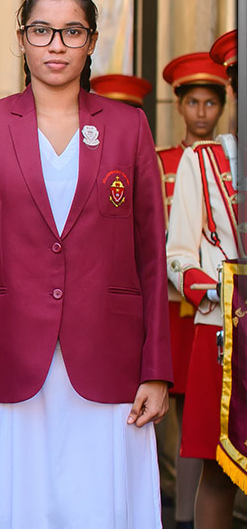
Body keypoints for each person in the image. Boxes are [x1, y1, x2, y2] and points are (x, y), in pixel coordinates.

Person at [0, 0, 169, 529]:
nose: (57, 44)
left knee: (99, 504)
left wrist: (156, 368)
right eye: (42, 31)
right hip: (7, 358)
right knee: (10, 506)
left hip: (108, 359)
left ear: (91, 42)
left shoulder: (127, 126)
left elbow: (151, 256)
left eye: (72, 31)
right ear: (22, 39)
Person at [163, 53, 235, 529]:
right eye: (195, 102)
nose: (203, 112)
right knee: (211, 452)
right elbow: (177, 253)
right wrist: (215, 288)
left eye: (212, 102)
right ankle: (178, 511)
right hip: (215, 319)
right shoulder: (197, 161)